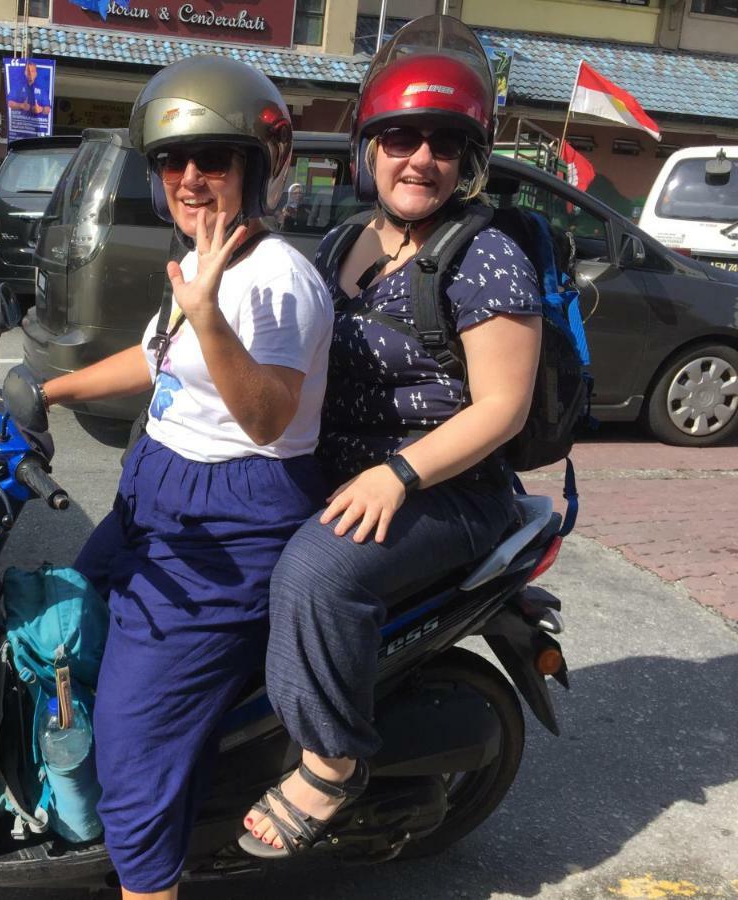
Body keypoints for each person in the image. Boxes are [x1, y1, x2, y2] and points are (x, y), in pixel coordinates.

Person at [239, 14, 543, 858]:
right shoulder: (347, 237)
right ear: (369, 147)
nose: (421, 159)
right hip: (341, 469)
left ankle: (331, 763)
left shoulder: (486, 256)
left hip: (448, 490)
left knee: (315, 574)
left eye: (443, 143)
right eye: (402, 136)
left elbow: (502, 408)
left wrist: (397, 476)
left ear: (467, 158)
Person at [40, 56, 333, 898]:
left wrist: (207, 317)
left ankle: (149, 881)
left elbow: (271, 413)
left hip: (228, 526)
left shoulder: (275, 280)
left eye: (216, 160)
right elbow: (153, 358)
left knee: (132, 751)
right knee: (68, 625)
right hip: (158, 494)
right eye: (174, 161)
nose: (191, 178)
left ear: (256, 168)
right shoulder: (208, 260)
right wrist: (49, 391)